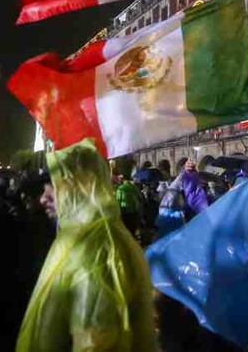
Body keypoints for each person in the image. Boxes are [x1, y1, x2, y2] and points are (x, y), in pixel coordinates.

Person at [15, 140, 156, 351]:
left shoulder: (99, 247)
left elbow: (97, 340)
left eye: (53, 184)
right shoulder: (80, 235)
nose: (43, 197)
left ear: (81, 183)